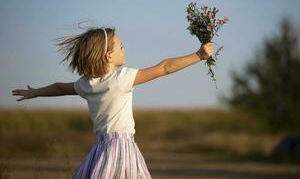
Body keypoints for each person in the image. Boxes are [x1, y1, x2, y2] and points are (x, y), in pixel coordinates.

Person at [11, 26, 213, 178]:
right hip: (123, 148)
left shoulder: (87, 84)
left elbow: (59, 87)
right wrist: (198, 55)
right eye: (121, 46)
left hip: (100, 149)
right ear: (109, 55)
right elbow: (165, 68)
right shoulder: (121, 78)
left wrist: (36, 92)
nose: (125, 49)